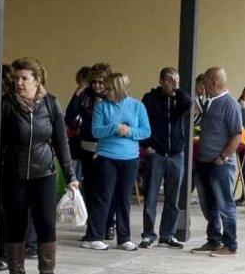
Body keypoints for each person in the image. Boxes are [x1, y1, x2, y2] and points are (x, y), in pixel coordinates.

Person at [0, 58, 79, 274]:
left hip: (44, 173)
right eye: (16, 79)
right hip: (14, 174)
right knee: (16, 227)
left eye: (24, 78)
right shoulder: (6, 104)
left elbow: (62, 142)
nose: (19, 83)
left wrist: (71, 176)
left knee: (47, 226)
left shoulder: (51, 104)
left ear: (37, 80)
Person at [83, 73, 150, 251]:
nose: (106, 91)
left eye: (110, 88)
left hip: (130, 158)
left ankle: (124, 238)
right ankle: (94, 236)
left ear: (121, 88)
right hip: (106, 157)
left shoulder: (137, 106)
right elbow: (96, 131)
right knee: (103, 197)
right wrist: (114, 128)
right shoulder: (101, 107)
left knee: (124, 199)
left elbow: (145, 131)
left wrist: (129, 131)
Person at [189, 67, 242, 257]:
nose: (203, 85)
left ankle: (230, 244)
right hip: (204, 161)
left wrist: (223, 157)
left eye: (205, 81)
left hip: (220, 163)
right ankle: (213, 239)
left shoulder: (230, 104)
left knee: (224, 204)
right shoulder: (209, 102)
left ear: (214, 82)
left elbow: (237, 135)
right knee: (208, 203)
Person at [140, 67, 192, 249]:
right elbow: (143, 122)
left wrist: (177, 89)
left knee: (173, 197)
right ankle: (148, 234)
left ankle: (167, 234)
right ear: (161, 81)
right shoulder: (150, 99)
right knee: (151, 195)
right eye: (170, 80)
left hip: (176, 154)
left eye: (176, 80)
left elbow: (188, 103)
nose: (173, 83)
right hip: (157, 153)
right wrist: (147, 145)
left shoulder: (179, 99)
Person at [66, 63, 117, 241]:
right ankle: (93, 227)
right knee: (90, 190)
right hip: (87, 149)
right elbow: (70, 116)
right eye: (94, 82)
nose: (97, 86)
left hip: (106, 150)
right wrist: (79, 90)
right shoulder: (86, 97)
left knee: (106, 191)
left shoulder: (112, 99)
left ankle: (109, 224)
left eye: (101, 82)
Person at [0, 63, 15, 272]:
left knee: (2, 212)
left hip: (5, 162)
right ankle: (3, 254)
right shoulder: (7, 101)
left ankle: (2, 254)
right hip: (6, 161)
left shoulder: (5, 102)